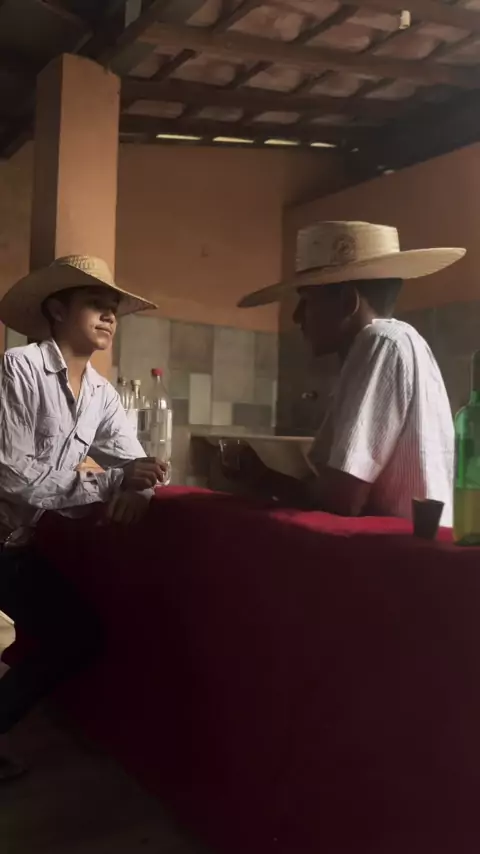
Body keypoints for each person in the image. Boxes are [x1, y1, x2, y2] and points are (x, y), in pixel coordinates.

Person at [0, 255, 165, 780]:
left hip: (14, 544)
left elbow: (137, 462)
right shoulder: (19, 368)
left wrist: (142, 487)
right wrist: (116, 482)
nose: (110, 316)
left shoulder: (101, 393)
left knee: (78, 636)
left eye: (114, 308)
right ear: (56, 310)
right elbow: (12, 475)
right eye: (96, 304)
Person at [237, 221, 465, 523]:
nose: (296, 316)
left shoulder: (381, 342)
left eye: (306, 301)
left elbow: (342, 500)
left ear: (347, 302)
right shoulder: (397, 342)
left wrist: (263, 478)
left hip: (398, 550)